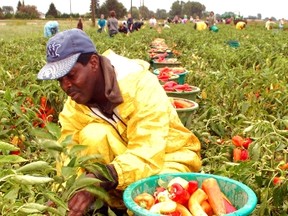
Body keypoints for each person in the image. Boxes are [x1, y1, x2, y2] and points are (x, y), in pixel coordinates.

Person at [37, 28, 202, 215]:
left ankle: (129, 202)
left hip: (168, 156)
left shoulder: (139, 85)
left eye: (72, 75)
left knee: (155, 198)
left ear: (92, 63)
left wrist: (101, 177)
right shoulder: (74, 105)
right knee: (92, 136)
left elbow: (147, 152)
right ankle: (116, 203)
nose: (65, 86)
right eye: (60, 80)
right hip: (125, 164)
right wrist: (65, 194)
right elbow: (67, 153)